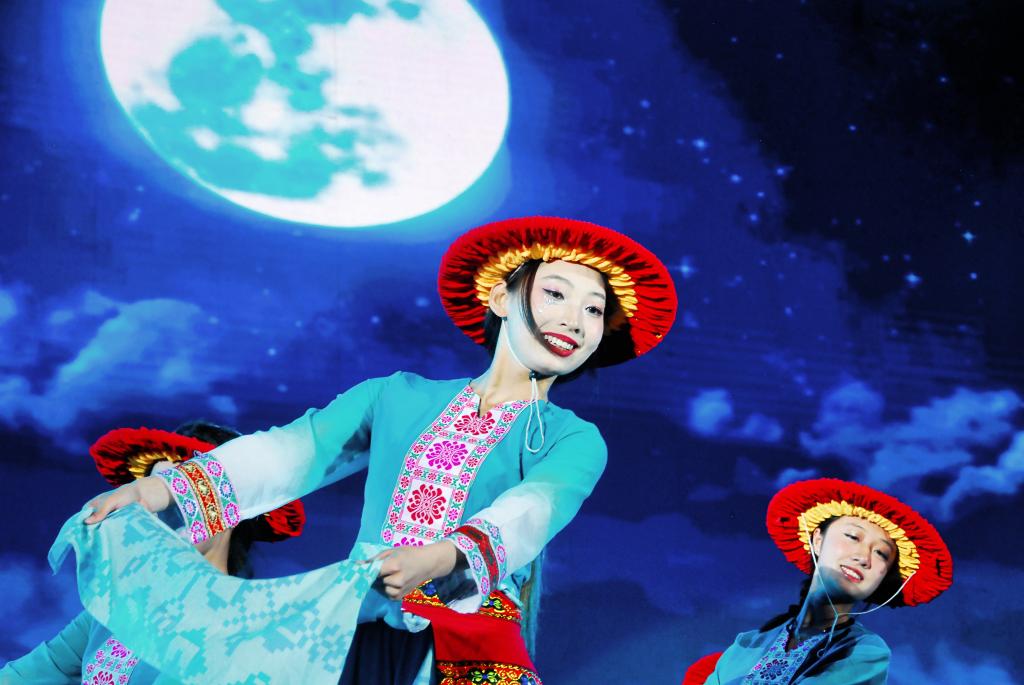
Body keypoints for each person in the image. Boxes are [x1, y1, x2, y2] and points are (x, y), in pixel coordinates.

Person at [75, 216, 678, 684]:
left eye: (594, 309)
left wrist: (437, 558)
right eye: (556, 294)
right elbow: (291, 452)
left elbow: (529, 514)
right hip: (356, 629)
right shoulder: (395, 397)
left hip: (472, 649)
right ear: (499, 299)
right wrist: (156, 489)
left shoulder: (574, 439)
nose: (575, 319)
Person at [0, 421, 305, 684]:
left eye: (181, 496)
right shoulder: (117, 607)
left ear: (232, 510)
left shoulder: (246, 625)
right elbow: (32, 673)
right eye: (156, 497)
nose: (166, 512)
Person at [684, 478, 953, 685]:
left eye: (881, 553)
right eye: (853, 537)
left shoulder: (865, 652)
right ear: (817, 540)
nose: (863, 557)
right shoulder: (746, 644)